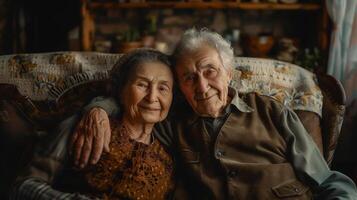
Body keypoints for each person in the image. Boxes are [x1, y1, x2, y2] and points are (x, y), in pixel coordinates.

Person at [71, 28, 357, 199]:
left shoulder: (271, 111)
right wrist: (97, 108)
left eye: (210, 71)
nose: (202, 86)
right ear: (179, 86)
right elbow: (130, 100)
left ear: (229, 73)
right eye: (189, 78)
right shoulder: (172, 123)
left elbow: (329, 182)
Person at [10, 49, 176, 200]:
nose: (152, 97)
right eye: (142, 84)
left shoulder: (170, 151)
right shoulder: (85, 127)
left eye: (163, 88)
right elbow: (22, 186)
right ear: (122, 91)